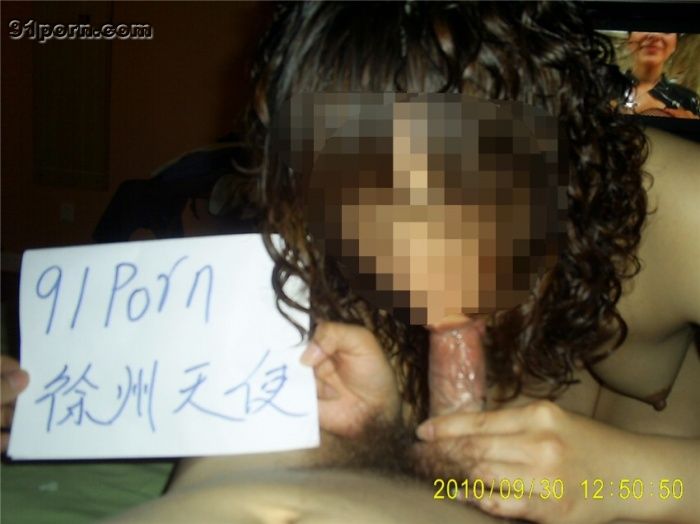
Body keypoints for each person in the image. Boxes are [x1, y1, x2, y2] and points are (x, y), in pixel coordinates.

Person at [4, 3, 698, 523]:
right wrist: (54, 396)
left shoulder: (678, 208)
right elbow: (419, 471)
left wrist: (629, 478)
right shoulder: (324, 237)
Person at [620, 32, 700, 118]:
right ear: (629, 39)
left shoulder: (688, 100)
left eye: (666, 31)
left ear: (675, 43)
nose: (654, 35)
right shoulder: (609, 89)